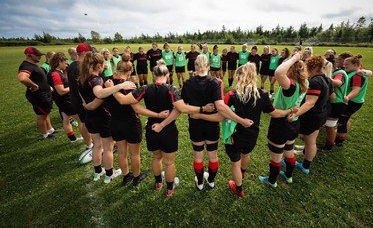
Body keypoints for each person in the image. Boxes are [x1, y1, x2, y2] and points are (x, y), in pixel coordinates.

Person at [111, 59, 215, 196]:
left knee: (156, 157)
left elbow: (123, 100)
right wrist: (202, 108)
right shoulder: (171, 89)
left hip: (152, 129)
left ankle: (158, 182)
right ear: (167, 75)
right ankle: (170, 188)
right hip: (168, 130)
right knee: (169, 163)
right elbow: (182, 108)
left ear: (153, 75)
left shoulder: (145, 88)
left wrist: (113, 88)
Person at [191, 62, 292, 197]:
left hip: (235, 136)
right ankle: (242, 174)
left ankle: (238, 188)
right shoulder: (262, 94)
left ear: (240, 77)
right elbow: (275, 113)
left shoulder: (232, 95)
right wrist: (291, 110)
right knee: (246, 154)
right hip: (252, 135)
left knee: (235, 164)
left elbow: (219, 117)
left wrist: (200, 115)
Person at [173, 55, 254, 193]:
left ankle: (199, 182)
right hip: (212, 124)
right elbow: (221, 107)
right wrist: (241, 120)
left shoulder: (187, 83)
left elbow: (182, 107)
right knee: (213, 156)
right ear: (209, 67)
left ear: (196, 66)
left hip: (195, 124)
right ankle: (210, 180)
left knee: (198, 156)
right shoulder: (216, 82)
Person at [104, 54, 169, 186]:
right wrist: (157, 115)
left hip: (114, 122)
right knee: (134, 153)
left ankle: (126, 176)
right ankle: (137, 177)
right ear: (129, 71)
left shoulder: (108, 83)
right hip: (130, 122)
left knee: (121, 152)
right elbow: (138, 109)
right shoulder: (129, 85)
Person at [78, 51, 136, 183]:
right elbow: (99, 93)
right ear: (99, 65)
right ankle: (109, 174)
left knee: (97, 146)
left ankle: (98, 172)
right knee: (108, 148)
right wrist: (119, 86)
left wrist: (87, 106)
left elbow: (83, 100)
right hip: (102, 117)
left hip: (89, 117)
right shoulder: (96, 79)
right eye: (104, 63)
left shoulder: (81, 79)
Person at [258, 53, 307, 187]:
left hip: (281, 124)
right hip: (294, 122)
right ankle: (289, 176)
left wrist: (294, 58)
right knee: (289, 150)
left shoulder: (290, 86)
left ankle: (271, 181)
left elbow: (279, 72)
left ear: (291, 69)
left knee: (276, 155)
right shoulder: (304, 82)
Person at [287, 55, 333, 174]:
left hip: (311, 116)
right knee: (311, 141)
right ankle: (305, 164)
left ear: (310, 67)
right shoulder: (327, 79)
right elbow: (332, 96)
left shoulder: (315, 82)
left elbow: (310, 103)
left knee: (302, 139)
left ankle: (296, 163)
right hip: (321, 114)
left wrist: (295, 114)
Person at [18, 47, 56, 139]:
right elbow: (22, 78)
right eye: (37, 55)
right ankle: (45, 134)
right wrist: (34, 86)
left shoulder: (33, 65)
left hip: (44, 94)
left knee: (46, 112)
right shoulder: (26, 66)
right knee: (41, 115)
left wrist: (47, 87)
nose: (40, 57)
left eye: (40, 55)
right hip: (38, 96)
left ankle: (50, 130)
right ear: (29, 55)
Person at [47, 52, 83, 143]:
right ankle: (87, 138)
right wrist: (72, 86)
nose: (66, 65)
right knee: (80, 119)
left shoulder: (57, 72)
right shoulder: (55, 74)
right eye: (65, 63)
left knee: (66, 119)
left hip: (61, 101)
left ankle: (72, 139)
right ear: (59, 62)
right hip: (66, 101)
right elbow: (61, 91)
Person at [335, 54, 370, 146]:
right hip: (352, 101)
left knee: (341, 121)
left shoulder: (357, 76)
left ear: (355, 65)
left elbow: (356, 90)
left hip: (353, 102)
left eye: (347, 64)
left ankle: (339, 141)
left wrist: (348, 97)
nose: (344, 66)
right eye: (344, 64)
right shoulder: (355, 72)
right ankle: (338, 139)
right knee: (343, 120)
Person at [320, 52, 351, 151]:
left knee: (330, 126)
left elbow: (338, 83)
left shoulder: (339, 73)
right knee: (328, 125)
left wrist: (324, 77)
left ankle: (329, 146)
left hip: (337, 104)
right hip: (333, 103)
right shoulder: (336, 72)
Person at [66, 43, 94, 149]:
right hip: (80, 99)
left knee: (82, 121)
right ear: (84, 53)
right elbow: (80, 87)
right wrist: (85, 101)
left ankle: (89, 142)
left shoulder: (72, 65)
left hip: (74, 97)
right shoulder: (79, 67)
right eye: (90, 53)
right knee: (84, 122)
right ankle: (89, 144)